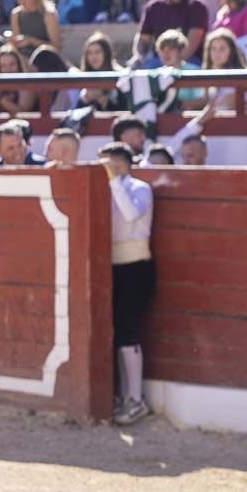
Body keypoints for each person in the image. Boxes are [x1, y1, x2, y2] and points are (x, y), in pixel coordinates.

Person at [100, 140, 155, 426]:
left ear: (122, 164)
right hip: (113, 267)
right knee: (119, 332)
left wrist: (113, 181)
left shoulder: (138, 188)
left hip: (136, 267)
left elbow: (131, 214)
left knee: (127, 330)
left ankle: (135, 399)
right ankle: (127, 396)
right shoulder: (107, 190)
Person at [134, 0, 208, 66]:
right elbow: (143, 39)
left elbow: (192, 43)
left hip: (190, 60)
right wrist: (139, 56)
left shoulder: (197, 6)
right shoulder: (153, 7)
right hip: (160, 60)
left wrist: (174, 65)